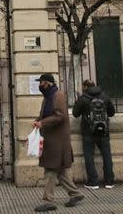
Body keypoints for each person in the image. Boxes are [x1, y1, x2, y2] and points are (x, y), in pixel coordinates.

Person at [32, 73, 84, 212]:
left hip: (57, 141)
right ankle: (76, 194)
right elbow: (46, 114)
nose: (40, 85)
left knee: (50, 170)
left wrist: (42, 123)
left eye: (41, 82)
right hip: (51, 139)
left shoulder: (58, 95)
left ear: (48, 83)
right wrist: (38, 120)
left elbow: (60, 116)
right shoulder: (48, 96)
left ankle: (48, 201)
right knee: (61, 171)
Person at [72, 79, 116, 189]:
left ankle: (93, 181)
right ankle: (109, 181)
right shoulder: (105, 97)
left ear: (85, 87)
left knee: (89, 156)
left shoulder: (83, 99)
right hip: (103, 131)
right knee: (107, 156)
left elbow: (75, 113)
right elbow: (112, 113)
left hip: (88, 132)